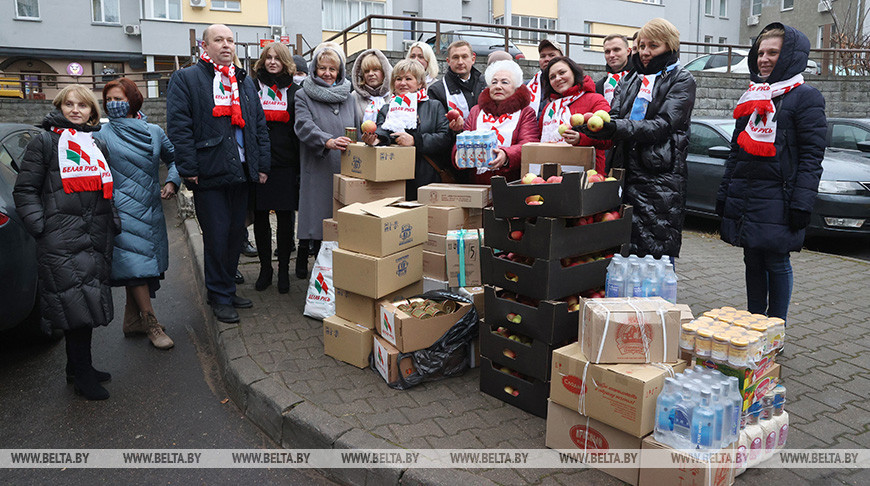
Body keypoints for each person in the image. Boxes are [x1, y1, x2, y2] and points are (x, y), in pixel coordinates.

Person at [14, 85, 119, 400]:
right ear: (59, 108)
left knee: (84, 299)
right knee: (74, 305)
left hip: (94, 234)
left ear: (91, 112)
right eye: (69, 104)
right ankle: (83, 375)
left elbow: (106, 185)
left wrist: (113, 220)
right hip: (60, 236)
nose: (75, 110)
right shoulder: (44, 142)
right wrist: (41, 227)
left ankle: (76, 368)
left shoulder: (95, 142)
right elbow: (25, 190)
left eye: (82, 105)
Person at [716, 23, 825, 323]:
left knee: (776, 261)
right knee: (751, 259)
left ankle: (776, 328)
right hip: (747, 195)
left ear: (790, 55)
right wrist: (725, 194)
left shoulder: (806, 98)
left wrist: (803, 202)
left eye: (773, 52)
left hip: (781, 197)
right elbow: (736, 152)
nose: (763, 58)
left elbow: (812, 157)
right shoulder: (752, 96)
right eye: (760, 52)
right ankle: (754, 324)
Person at [166, 24, 270, 324]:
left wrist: (261, 164)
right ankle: (220, 296)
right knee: (216, 236)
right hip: (208, 172)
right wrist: (188, 168)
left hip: (241, 170)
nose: (226, 45)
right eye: (218, 40)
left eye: (230, 40)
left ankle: (225, 289)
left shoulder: (243, 80)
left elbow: (258, 126)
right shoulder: (186, 79)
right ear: (205, 45)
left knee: (235, 234)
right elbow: (179, 127)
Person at [581, 18, 696, 263]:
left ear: (670, 46)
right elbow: (615, 116)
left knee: (656, 253)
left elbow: (662, 126)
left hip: (660, 178)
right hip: (624, 172)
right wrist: (593, 128)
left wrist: (615, 126)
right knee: (624, 250)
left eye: (653, 46)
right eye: (641, 45)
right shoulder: (630, 78)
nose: (645, 52)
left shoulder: (682, 79)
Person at [94, 77, 179, 350]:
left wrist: (172, 181)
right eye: (109, 100)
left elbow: (174, 159)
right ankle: (150, 322)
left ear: (133, 99)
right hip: (120, 210)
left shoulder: (153, 131)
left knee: (142, 265)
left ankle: (132, 321)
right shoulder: (100, 135)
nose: (114, 104)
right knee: (135, 267)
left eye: (119, 99)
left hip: (151, 208)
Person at [294, 43, 359, 278]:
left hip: (345, 169)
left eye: (333, 69)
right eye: (322, 68)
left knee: (342, 225)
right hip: (318, 166)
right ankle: (318, 278)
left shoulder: (349, 97)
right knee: (318, 223)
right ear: (314, 69)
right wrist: (326, 141)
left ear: (340, 71)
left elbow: (357, 131)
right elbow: (303, 125)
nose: (328, 73)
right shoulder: (303, 95)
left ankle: (339, 275)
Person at [361, 59, 452, 199]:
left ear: (420, 83)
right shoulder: (387, 108)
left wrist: (416, 141)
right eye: (398, 79)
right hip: (395, 179)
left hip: (427, 179)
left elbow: (445, 138)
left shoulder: (434, 106)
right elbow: (382, 129)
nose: (402, 83)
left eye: (408, 78)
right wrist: (376, 139)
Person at [251, 42, 301, 294]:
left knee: (284, 218)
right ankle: (264, 269)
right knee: (260, 218)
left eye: (277, 58)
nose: (272, 62)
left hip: (285, 162)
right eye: (268, 58)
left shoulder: (295, 90)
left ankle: (283, 270)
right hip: (259, 161)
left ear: (285, 62)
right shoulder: (251, 87)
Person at [453, 59, 540, 184]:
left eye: (504, 82)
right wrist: (457, 153)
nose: (498, 86)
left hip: (510, 183)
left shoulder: (525, 112)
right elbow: (465, 138)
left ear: (516, 87)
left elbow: (528, 144)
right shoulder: (476, 111)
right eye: (494, 82)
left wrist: (506, 155)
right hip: (477, 185)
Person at [539, 56, 612, 173]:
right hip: (551, 175)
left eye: (562, 72)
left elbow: (609, 139)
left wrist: (581, 139)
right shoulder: (548, 108)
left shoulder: (596, 100)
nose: (558, 78)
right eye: (552, 77)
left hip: (588, 175)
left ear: (574, 72)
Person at [428, 40, 487, 133]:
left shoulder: (486, 84)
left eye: (464, 57)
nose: (460, 62)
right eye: (455, 57)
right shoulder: (436, 90)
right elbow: (436, 129)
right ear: (448, 61)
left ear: (473, 59)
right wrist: (453, 130)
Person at [350, 49, 393, 123]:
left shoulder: (394, 95)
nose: (371, 74)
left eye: (375, 69)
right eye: (366, 71)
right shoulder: (354, 96)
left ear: (384, 71)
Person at [526, 38, 564, 118]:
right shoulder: (527, 87)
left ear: (562, 58)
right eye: (543, 56)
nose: (547, 59)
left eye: (552, 55)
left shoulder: (570, 83)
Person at [595, 34, 634, 105]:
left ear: (628, 51)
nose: (611, 55)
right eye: (607, 52)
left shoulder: (639, 79)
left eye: (616, 50)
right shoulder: (600, 85)